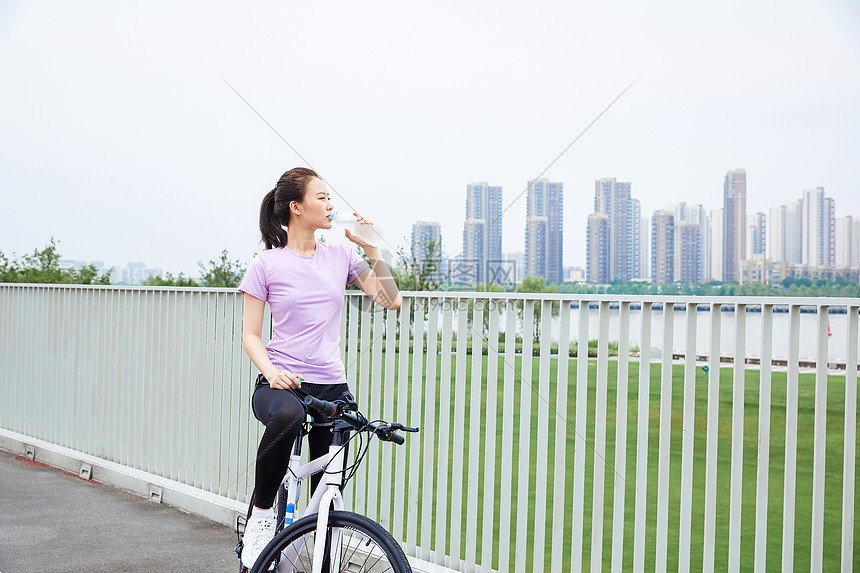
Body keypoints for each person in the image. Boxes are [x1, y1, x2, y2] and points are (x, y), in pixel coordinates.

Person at [237, 167, 401, 568]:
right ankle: (261, 517)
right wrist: (272, 371)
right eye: (322, 197)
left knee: (328, 485)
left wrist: (373, 249)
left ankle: (313, 549)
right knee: (290, 417)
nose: (331, 205)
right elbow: (251, 336)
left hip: (332, 388)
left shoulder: (341, 255)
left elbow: (390, 299)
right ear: (296, 207)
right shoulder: (266, 264)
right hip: (282, 386)